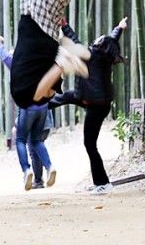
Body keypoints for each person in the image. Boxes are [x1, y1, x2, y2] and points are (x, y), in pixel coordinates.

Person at [49, 17, 128, 194]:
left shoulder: (91, 55)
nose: (98, 38)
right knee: (67, 96)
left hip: (94, 104)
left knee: (90, 144)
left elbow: (75, 42)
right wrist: (119, 27)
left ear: (100, 45)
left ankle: (103, 183)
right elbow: (112, 39)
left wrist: (64, 25)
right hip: (98, 101)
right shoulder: (105, 56)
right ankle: (41, 106)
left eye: (99, 39)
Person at [0, 36, 54, 190]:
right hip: (44, 112)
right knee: (37, 143)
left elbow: (4, 56)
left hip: (29, 110)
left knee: (22, 141)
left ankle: (28, 171)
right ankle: (49, 168)